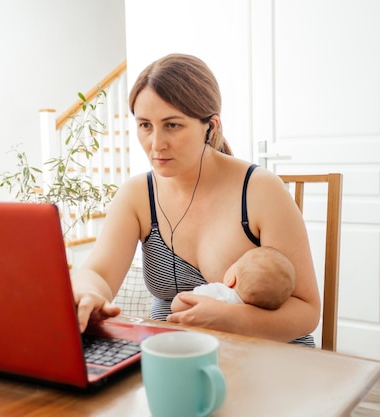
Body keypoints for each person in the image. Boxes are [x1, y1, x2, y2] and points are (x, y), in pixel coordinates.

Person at [71, 53, 320, 347]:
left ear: (210, 126)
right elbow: (99, 273)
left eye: (172, 125)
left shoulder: (260, 190)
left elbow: (307, 310)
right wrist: (87, 292)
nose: (155, 144)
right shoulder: (137, 195)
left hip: (263, 357)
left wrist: (233, 321)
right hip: (174, 356)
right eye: (145, 125)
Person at [171, 246, 295, 311]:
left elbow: (177, 305)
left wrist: (178, 299)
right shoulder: (260, 312)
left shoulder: (220, 292)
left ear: (232, 280)